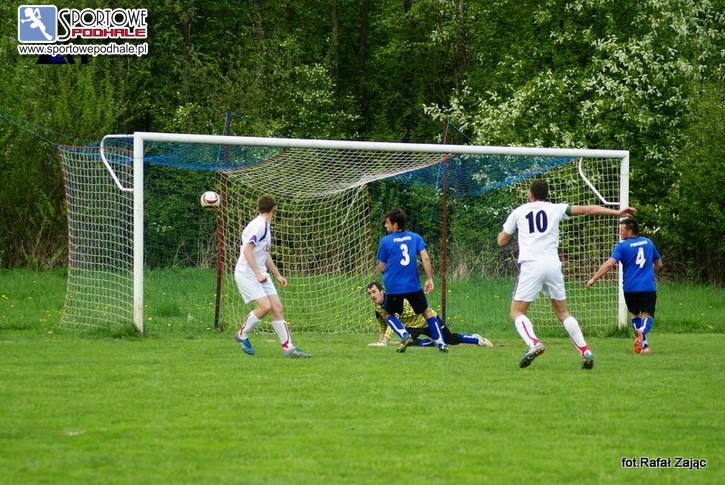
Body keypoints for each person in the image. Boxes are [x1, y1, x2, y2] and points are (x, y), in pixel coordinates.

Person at [497, 179, 636, 369]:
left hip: (531, 265)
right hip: (553, 265)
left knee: (517, 312)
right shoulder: (556, 209)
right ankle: (585, 351)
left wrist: (505, 235)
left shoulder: (519, 212)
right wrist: (617, 212)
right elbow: (587, 209)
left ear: (530, 194)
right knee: (563, 313)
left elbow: (502, 240)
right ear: (547, 195)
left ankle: (534, 343)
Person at [233, 194, 310, 358]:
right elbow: (247, 251)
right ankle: (241, 334)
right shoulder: (259, 226)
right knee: (265, 307)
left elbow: (264, 255)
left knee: (277, 308)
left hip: (261, 273)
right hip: (247, 273)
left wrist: (278, 275)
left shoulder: (265, 226)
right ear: (274, 209)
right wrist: (257, 273)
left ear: (258, 208)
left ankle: (288, 348)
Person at [376, 208, 448, 353]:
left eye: (387, 222)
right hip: (413, 285)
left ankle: (404, 335)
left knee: (388, 314)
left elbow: (381, 266)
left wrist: (389, 271)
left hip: (393, 287)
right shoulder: (415, 237)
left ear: (395, 224)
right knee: (426, 312)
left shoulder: (385, 241)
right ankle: (441, 343)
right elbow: (425, 258)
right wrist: (429, 278)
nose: (385, 225)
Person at [586, 218, 663, 353]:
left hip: (630, 287)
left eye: (622, 230)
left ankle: (644, 345)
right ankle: (642, 332)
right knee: (647, 314)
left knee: (634, 315)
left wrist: (594, 278)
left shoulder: (622, 246)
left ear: (630, 231)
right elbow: (659, 264)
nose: (619, 233)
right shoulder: (649, 242)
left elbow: (609, 264)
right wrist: (649, 273)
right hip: (647, 286)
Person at [365, 282, 493, 348]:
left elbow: (393, 322)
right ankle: (431, 343)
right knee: (408, 343)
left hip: (427, 321)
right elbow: (383, 324)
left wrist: (385, 342)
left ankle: (476, 339)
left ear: (381, 291)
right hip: (411, 327)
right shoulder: (377, 307)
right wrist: (380, 341)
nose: (372, 296)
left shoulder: (393, 300)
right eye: (369, 293)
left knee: (450, 340)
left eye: (374, 292)